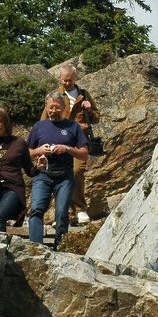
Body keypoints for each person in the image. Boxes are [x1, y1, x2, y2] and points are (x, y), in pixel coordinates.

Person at [26, 91, 88, 247]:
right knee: (36, 210)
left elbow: (84, 154)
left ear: (63, 107)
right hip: (43, 173)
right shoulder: (39, 126)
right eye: (50, 108)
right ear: (46, 107)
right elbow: (27, 153)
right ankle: (36, 246)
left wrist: (67, 149)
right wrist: (40, 151)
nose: (53, 111)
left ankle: (61, 246)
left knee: (61, 213)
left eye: (56, 107)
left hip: (64, 176)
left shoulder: (73, 127)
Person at [56, 63, 100, 225]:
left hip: (80, 140)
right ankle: (63, 212)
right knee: (59, 173)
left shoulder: (84, 94)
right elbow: (45, 118)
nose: (66, 83)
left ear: (75, 78)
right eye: (63, 80)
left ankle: (80, 209)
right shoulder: (56, 95)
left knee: (76, 171)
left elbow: (96, 118)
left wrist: (89, 110)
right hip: (59, 138)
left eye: (69, 80)